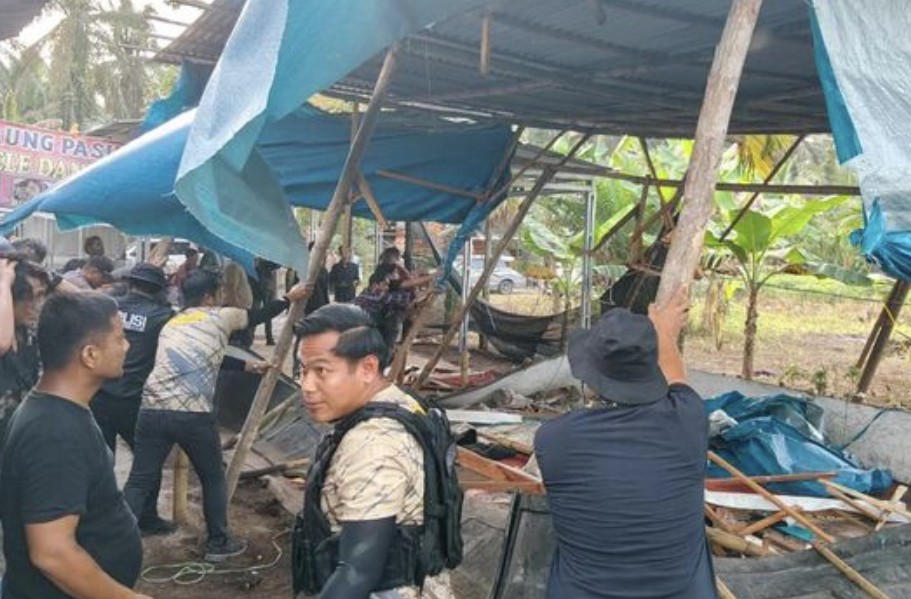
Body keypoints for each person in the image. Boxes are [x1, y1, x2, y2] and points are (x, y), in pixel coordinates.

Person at [534, 289, 717, 599]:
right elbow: (677, 376)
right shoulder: (689, 421)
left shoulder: (554, 440)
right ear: (650, 369)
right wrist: (662, 330)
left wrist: (660, 330)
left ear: (589, 380)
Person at [123, 270, 308, 562]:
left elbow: (202, 355)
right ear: (210, 295)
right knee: (212, 477)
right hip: (192, 414)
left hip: (151, 409)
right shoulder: (220, 316)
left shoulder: (173, 322)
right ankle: (218, 544)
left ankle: (116, 540)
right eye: (219, 292)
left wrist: (247, 368)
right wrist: (288, 298)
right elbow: (257, 315)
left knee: (139, 478)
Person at [293, 304, 454, 599]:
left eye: (321, 370)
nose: (306, 385)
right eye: (303, 370)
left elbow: (357, 574)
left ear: (368, 368)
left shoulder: (373, 443)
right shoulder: (399, 401)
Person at [0, 291, 152, 599]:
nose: (127, 346)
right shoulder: (54, 432)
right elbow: (52, 553)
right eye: (120, 338)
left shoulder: (57, 409)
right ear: (90, 355)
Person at [90, 263, 175, 536]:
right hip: (134, 402)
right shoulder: (164, 315)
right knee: (147, 462)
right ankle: (147, 519)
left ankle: (96, 519)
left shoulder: (108, 306)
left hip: (99, 395)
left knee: (101, 462)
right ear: (158, 289)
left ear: (131, 283)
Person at [0, 257, 51, 435]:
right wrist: (4, 283)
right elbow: (2, 342)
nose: (37, 305)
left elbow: (86, 299)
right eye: (31, 297)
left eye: (41, 296)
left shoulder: (28, 335)